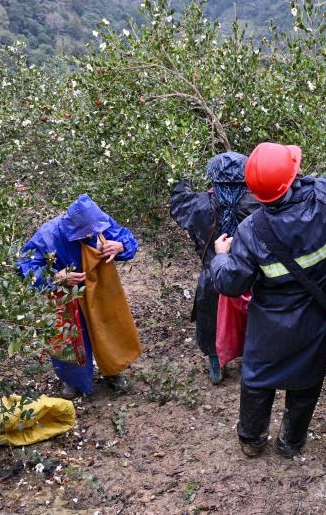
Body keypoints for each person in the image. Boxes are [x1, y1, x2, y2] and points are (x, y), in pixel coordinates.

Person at [211, 73, 326, 459]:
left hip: (269, 326)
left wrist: (220, 254)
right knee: (306, 383)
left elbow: (230, 282)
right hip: (314, 319)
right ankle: (291, 443)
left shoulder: (250, 230)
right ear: (293, 176)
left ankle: (252, 440)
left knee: (257, 380)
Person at [17, 194, 140, 398]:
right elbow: (24, 266)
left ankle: (113, 369)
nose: (93, 234)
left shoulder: (98, 222)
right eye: (87, 232)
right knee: (69, 337)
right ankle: (73, 380)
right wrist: (55, 276)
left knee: (108, 326)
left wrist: (121, 246)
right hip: (65, 295)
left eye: (95, 230)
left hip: (100, 288)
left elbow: (126, 239)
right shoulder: (50, 234)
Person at [169, 152, 260, 384]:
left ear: (212, 177)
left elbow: (178, 201)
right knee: (251, 319)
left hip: (213, 275)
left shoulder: (199, 204)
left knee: (211, 320)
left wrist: (184, 170)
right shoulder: (258, 204)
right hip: (249, 275)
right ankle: (251, 363)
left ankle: (215, 365)